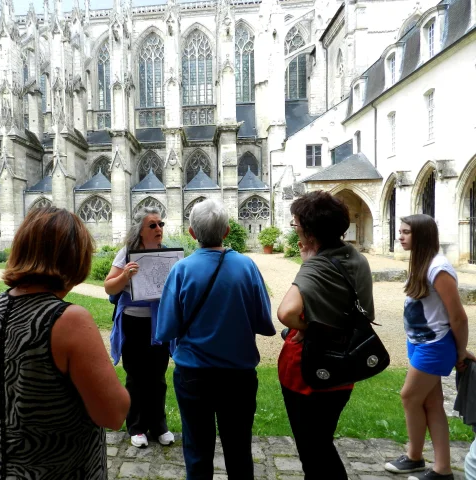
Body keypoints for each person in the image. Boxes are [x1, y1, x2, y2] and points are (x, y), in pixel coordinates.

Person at [0, 206, 130, 479]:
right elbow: (114, 415)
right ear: (74, 258)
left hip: (3, 466)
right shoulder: (67, 319)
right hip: (59, 469)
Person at [156, 198, 275, 479]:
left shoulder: (181, 270)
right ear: (226, 231)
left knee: (197, 453)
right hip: (239, 376)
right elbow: (264, 323)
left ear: (192, 233)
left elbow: (165, 329)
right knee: (239, 451)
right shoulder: (247, 267)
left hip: (194, 375)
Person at [277, 190, 374, 480]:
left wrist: (310, 328)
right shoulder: (355, 258)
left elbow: (286, 313)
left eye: (295, 224)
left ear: (309, 231)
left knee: (313, 450)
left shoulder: (317, 266)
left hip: (308, 371)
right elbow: (366, 313)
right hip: (344, 366)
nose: (294, 229)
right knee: (321, 442)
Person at [384, 214, 475, 480]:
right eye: (399, 231)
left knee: (409, 396)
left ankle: (420, 459)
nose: (400, 236)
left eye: (406, 232)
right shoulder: (420, 262)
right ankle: (437, 467)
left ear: (422, 235)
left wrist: (460, 350)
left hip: (435, 345)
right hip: (418, 342)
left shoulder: (438, 268)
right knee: (431, 402)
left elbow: (458, 316)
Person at [104, 207, 175, 448]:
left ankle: (159, 425)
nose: (158, 229)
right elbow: (109, 287)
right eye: (152, 225)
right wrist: (125, 275)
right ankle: (136, 427)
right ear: (140, 230)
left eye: (160, 224)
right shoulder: (126, 253)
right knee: (136, 377)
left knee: (158, 377)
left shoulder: (167, 254)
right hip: (133, 322)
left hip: (159, 323)